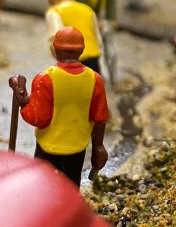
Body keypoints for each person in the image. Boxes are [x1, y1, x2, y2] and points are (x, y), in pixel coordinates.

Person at [8, 26, 109, 188]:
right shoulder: (95, 79)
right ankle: (68, 210)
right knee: (71, 186)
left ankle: (44, 209)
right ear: (81, 50)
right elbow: (100, 117)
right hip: (77, 146)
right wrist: (98, 146)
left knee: (42, 185)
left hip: (48, 146)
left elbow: (37, 118)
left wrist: (22, 102)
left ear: (55, 49)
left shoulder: (45, 78)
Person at [45, 0, 102, 73]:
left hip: (71, 58)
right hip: (93, 55)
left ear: (53, 0)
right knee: (94, 83)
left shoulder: (54, 11)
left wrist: (58, 59)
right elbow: (97, 35)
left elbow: (55, 36)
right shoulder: (87, 9)